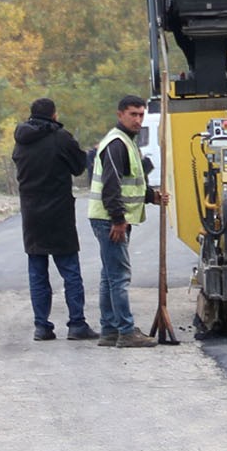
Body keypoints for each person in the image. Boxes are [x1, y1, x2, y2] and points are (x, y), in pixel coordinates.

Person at [88, 94, 167, 347]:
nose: (138, 119)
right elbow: (111, 187)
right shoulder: (117, 144)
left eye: (141, 114)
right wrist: (118, 220)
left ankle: (110, 330)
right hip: (109, 220)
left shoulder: (128, 142)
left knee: (109, 276)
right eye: (133, 114)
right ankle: (125, 331)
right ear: (120, 114)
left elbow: (128, 183)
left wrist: (151, 197)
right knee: (119, 277)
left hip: (109, 218)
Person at [12, 98, 92, 341]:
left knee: (37, 272)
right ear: (54, 115)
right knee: (70, 271)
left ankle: (41, 326)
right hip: (58, 213)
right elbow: (79, 167)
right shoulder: (61, 138)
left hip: (31, 215)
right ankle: (77, 324)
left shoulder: (20, 141)